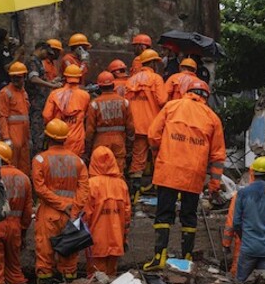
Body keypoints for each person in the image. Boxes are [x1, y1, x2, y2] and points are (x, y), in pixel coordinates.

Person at [145, 80, 226, 269]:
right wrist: (214, 185)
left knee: (164, 213)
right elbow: (218, 155)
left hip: (168, 170)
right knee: (189, 216)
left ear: (187, 92)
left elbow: (153, 135)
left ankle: (159, 257)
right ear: (206, 96)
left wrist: (160, 153)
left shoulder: (172, 106)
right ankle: (186, 259)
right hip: (193, 174)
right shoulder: (212, 117)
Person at [32, 120, 90, 283]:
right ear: (65, 139)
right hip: (71, 214)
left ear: (48, 138)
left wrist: (61, 204)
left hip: (49, 213)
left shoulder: (40, 160)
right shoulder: (78, 161)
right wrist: (74, 210)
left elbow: (40, 189)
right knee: (70, 257)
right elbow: (84, 189)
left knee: (45, 254)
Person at [226, 156, 265, 282]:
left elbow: (236, 223)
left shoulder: (243, 193)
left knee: (241, 282)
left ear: (253, 172)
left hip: (248, 247)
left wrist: (244, 238)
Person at [0, 141, 31, 284]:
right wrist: (24, 230)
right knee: (14, 265)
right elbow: (27, 211)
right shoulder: (24, 178)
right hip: (15, 227)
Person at [126, 49, 168, 195]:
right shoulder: (156, 79)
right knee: (158, 156)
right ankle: (159, 188)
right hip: (153, 126)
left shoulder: (131, 80)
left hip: (135, 126)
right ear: (153, 63)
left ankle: (135, 193)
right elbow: (162, 101)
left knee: (138, 159)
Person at [85, 146, 131, 278]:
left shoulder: (91, 185)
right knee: (111, 278)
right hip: (116, 239)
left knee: (95, 279)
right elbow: (127, 215)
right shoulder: (121, 185)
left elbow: (85, 215)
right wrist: (124, 237)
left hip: (96, 242)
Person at [44, 65, 92, 158]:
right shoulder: (85, 96)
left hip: (56, 137)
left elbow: (47, 116)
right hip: (76, 139)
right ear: (80, 77)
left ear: (65, 77)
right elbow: (87, 117)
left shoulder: (54, 94)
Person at [88, 72, 131, 175]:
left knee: (99, 171)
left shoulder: (94, 104)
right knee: (118, 170)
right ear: (113, 85)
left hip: (100, 141)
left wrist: (88, 147)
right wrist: (130, 144)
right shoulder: (124, 102)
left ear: (99, 87)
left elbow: (90, 130)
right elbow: (130, 127)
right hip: (119, 141)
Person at [27, 41, 63, 153]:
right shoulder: (32, 61)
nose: (47, 56)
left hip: (41, 100)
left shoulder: (38, 61)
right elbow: (33, 79)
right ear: (41, 49)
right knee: (37, 130)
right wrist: (51, 85)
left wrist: (52, 82)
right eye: (46, 53)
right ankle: (36, 154)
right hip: (35, 102)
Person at [0, 62, 31, 175]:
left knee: (24, 165)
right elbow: (2, 117)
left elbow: (25, 116)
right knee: (12, 165)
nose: (16, 79)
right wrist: (6, 138)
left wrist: (28, 137)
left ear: (24, 77)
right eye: (13, 77)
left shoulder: (23, 93)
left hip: (24, 134)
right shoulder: (5, 93)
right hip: (12, 134)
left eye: (18, 77)